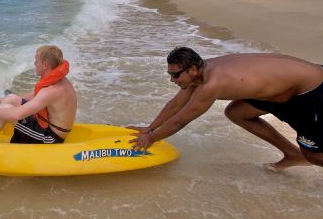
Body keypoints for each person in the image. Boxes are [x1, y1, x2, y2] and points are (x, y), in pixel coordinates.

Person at [129, 47, 323, 170]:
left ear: (192, 70)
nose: (173, 80)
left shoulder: (213, 83)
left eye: (176, 75)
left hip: (311, 91)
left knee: (313, 155)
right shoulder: (201, 71)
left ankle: (302, 156)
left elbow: (181, 120)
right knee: (237, 113)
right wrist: (149, 128)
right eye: (170, 75)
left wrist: (150, 139)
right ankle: (292, 154)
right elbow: (175, 104)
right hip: (282, 90)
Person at [0, 45, 77, 144]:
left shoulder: (51, 91)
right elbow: (36, 95)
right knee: (11, 98)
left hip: (50, 137)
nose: (34, 63)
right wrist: (8, 100)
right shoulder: (61, 81)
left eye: (36, 61)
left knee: (6, 108)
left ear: (45, 65)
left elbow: (17, 115)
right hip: (49, 125)